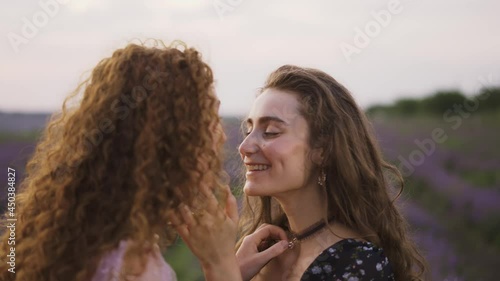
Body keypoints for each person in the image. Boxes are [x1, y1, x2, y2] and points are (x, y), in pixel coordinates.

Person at [0, 40, 239, 281]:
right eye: (210, 119)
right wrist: (222, 265)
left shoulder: (78, 237)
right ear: (171, 139)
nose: (223, 136)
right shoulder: (130, 267)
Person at [233, 65, 428, 280]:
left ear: (323, 149)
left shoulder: (356, 265)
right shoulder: (265, 253)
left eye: (271, 132)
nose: (244, 146)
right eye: (248, 131)